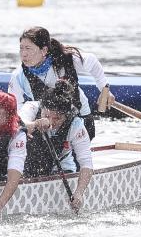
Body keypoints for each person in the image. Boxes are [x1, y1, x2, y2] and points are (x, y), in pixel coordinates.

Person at [9, 26, 113, 140]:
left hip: (79, 118)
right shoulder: (18, 76)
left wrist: (104, 88)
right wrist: (26, 124)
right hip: (48, 123)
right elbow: (16, 106)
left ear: (44, 50)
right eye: (21, 48)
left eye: (28, 48)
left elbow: (92, 61)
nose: (23, 54)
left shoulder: (67, 60)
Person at [21, 80, 94, 211]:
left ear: (66, 116)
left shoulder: (76, 124)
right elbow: (18, 127)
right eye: (47, 115)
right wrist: (36, 124)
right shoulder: (31, 107)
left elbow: (86, 163)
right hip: (27, 162)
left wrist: (79, 193)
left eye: (57, 118)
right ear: (42, 107)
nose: (51, 122)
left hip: (60, 166)